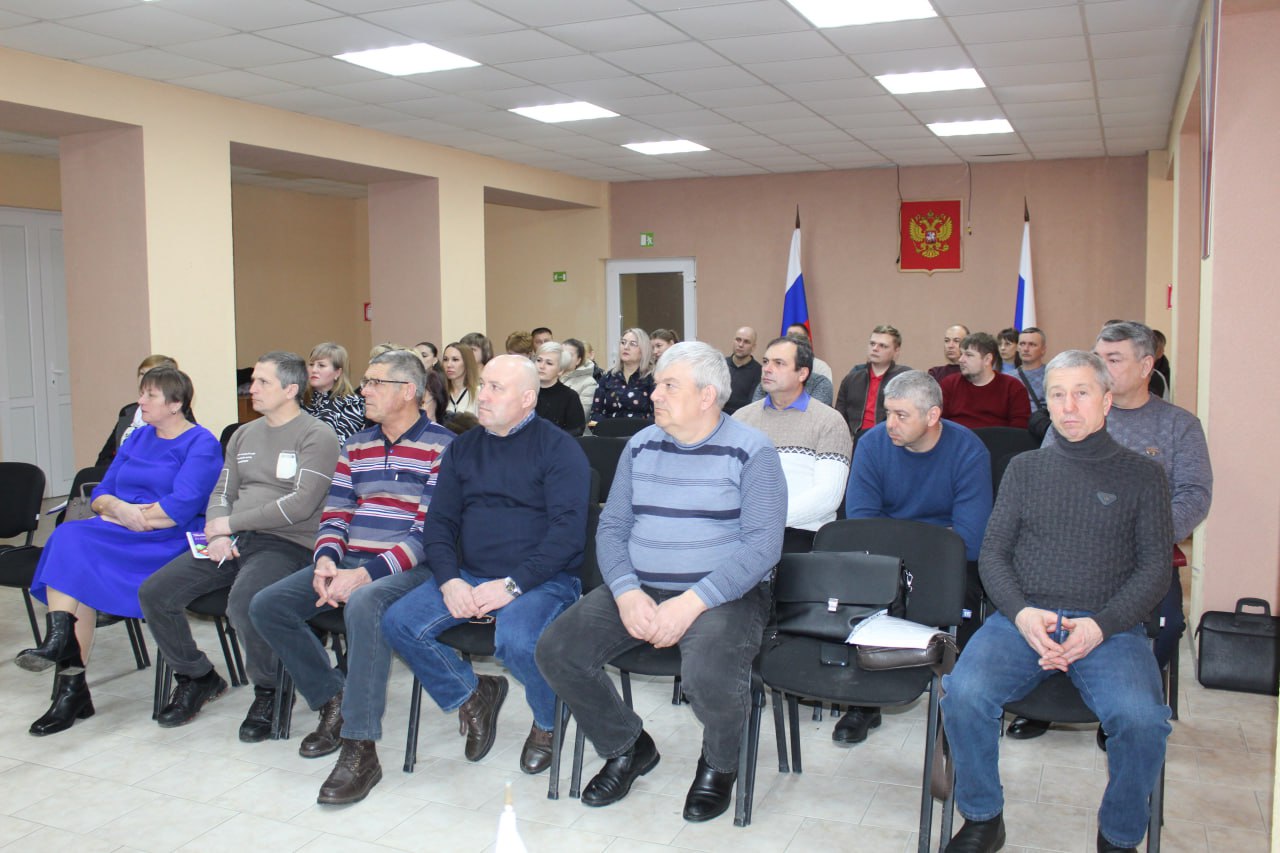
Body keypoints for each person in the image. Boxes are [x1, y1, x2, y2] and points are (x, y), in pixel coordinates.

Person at [538, 342, 786, 823]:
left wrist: (691, 602)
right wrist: (626, 590)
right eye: (657, 385)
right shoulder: (641, 444)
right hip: (642, 584)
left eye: (670, 386)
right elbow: (612, 527)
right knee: (557, 649)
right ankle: (627, 745)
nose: (654, 395)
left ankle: (720, 763)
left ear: (707, 396)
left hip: (724, 593)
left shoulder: (753, 451)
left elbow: (762, 547)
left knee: (708, 675)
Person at [940, 350, 1173, 853]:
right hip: (1023, 621)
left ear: (1106, 401)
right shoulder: (1023, 469)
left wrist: (1101, 626)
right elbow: (993, 555)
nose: (1068, 407)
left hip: (1111, 629)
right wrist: (1022, 614)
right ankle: (983, 817)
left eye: (1082, 393)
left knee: (1143, 721)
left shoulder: (1143, 476)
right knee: (962, 695)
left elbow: (1155, 571)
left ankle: (1119, 836)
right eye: (1057, 395)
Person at [249, 350, 455, 805]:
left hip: (409, 567)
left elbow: (428, 534)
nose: (364, 390)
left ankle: (360, 747)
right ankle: (333, 699)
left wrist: (363, 575)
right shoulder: (357, 444)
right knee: (268, 605)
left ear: (408, 391)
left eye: (375, 382)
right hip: (350, 560)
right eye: (365, 381)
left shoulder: (445, 447)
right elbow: (337, 512)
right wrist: (326, 560)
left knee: (365, 603)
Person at [383, 355, 590, 776]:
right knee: (399, 623)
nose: (484, 396)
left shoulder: (559, 449)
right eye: (485, 386)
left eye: (498, 388)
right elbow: (439, 524)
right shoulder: (463, 448)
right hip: (471, 573)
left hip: (543, 579)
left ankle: (548, 720)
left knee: (516, 639)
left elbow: (567, 535)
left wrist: (512, 586)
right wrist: (449, 581)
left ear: (527, 399)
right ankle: (474, 694)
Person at [1009, 322, 1212, 743]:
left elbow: (1194, 495)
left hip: (1141, 559)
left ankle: (1116, 709)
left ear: (1146, 366)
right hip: (1068, 556)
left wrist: (1144, 535)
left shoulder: (1178, 426)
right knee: (1050, 617)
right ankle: (1047, 695)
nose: (1099, 366)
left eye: (1113, 359)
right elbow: (1046, 484)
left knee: (1166, 624)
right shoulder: (1072, 417)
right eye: (1097, 356)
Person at [139, 352, 339, 737]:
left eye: (263, 382)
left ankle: (269, 688)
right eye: (254, 380)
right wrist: (218, 533)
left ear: (291, 389)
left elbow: (300, 505)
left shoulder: (317, 436)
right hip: (233, 539)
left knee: (245, 603)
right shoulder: (243, 434)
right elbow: (222, 491)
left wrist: (229, 524)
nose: (252, 388)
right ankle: (197, 677)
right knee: (155, 593)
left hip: (287, 544)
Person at [17, 366, 222, 736]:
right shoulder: (139, 437)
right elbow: (100, 492)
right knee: (68, 539)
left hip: (165, 541)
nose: (140, 401)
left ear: (175, 404)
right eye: (141, 393)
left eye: (150, 395)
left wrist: (127, 514)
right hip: (122, 529)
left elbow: (179, 507)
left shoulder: (201, 443)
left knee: (74, 561)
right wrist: (119, 509)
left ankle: (69, 679)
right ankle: (67, 669)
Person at [837, 370, 992, 745]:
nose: (890, 423)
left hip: (950, 566)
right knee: (861, 592)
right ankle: (864, 702)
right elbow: (862, 524)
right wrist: (935, 536)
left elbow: (971, 540)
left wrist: (898, 533)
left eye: (901, 415)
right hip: (888, 560)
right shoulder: (872, 444)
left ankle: (956, 709)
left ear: (933, 415)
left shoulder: (968, 451)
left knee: (964, 599)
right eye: (887, 412)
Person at [734, 334, 850, 553]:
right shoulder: (741, 419)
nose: (767, 369)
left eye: (779, 363)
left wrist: (766, 519)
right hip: (743, 533)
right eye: (766, 361)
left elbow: (828, 496)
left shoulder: (829, 421)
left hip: (803, 534)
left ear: (802, 373)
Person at [833, 324, 911, 445]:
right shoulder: (851, 379)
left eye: (882, 346)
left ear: (896, 351)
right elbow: (839, 417)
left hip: (890, 441)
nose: (875, 348)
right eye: (872, 344)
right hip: (855, 442)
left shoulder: (905, 379)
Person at [95, 353, 178, 466]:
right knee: (87, 474)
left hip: (151, 473)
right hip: (120, 473)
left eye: (150, 374)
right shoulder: (128, 412)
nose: (144, 379)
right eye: (142, 373)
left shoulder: (176, 413)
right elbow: (105, 457)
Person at [939, 332, 1030, 429]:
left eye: (968, 355)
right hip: (958, 438)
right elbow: (938, 422)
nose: (961, 360)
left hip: (997, 438)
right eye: (961, 354)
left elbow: (1019, 429)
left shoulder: (1013, 387)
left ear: (987, 359)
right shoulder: (949, 384)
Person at [588, 327, 655, 426]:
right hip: (610, 432)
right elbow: (595, 413)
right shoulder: (608, 377)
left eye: (632, 344)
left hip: (641, 432)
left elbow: (656, 415)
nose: (626, 347)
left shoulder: (652, 378)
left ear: (644, 350)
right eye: (623, 342)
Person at [303, 342, 365, 443]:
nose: (314, 370)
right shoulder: (299, 399)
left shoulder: (352, 403)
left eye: (321, 365)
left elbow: (342, 444)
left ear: (338, 372)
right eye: (311, 364)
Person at [534, 341, 587, 436]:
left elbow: (576, 431)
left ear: (560, 370)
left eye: (549, 363)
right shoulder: (526, 391)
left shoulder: (570, 396)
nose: (541, 366)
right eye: (539, 360)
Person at [724, 325, 761, 415]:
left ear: (753, 347)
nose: (740, 345)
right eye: (738, 340)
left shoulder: (759, 372)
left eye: (746, 342)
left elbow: (754, 405)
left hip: (743, 418)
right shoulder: (720, 364)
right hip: (718, 416)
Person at [1009, 326, 1048, 408]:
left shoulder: (1052, 375)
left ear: (1043, 350)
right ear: (1017, 348)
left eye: (1032, 344)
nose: (1026, 349)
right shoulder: (1008, 378)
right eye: (1022, 344)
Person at [561, 337, 598, 418]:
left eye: (569, 355)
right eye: (562, 354)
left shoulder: (589, 383)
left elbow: (581, 415)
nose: (565, 358)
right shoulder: (551, 376)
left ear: (578, 360)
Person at [442, 341, 480, 418]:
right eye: (445, 359)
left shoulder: (479, 393)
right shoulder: (441, 393)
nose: (449, 365)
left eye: (455, 359)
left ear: (467, 362)